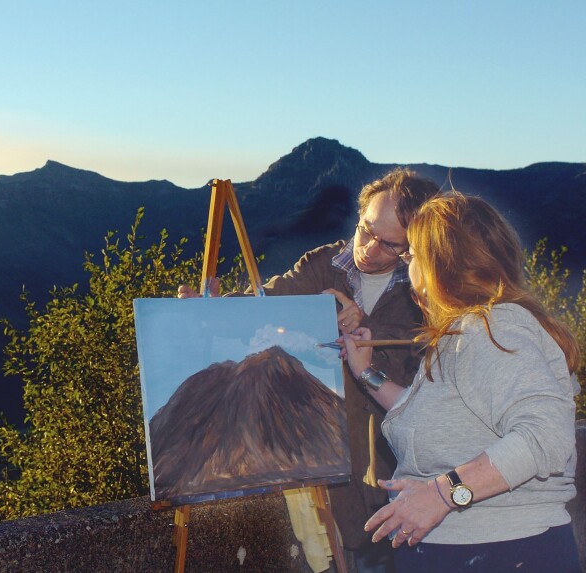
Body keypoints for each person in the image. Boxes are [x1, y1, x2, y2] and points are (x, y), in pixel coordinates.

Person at [179, 167, 441, 572]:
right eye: (366, 229)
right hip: (329, 475)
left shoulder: (431, 289)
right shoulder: (322, 263)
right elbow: (267, 303)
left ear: (416, 247)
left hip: (404, 477)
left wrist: (366, 340)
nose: (369, 249)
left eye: (389, 245)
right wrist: (215, 309)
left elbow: (425, 373)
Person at [341, 192, 581, 572]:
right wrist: (366, 373)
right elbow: (440, 421)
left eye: (413, 255)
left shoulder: (493, 328)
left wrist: (442, 494)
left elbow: (545, 436)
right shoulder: (466, 332)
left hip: (500, 554)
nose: (409, 267)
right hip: (478, 552)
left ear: (442, 264)